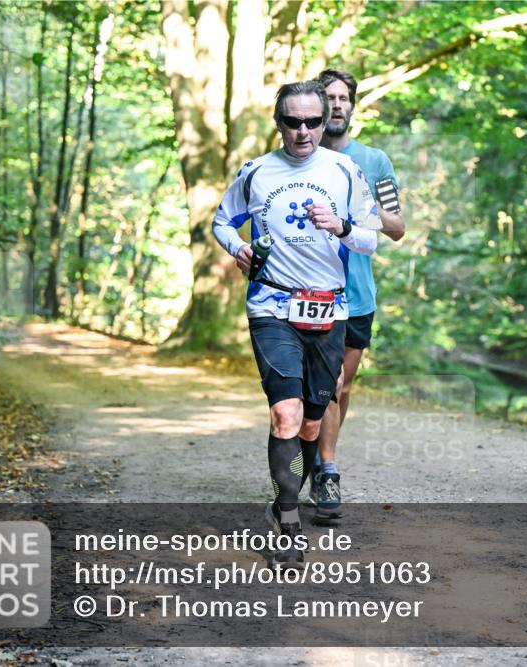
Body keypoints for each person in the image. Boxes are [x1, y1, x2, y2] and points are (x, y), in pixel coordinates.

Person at [213, 80, 381, 567]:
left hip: (329, 310)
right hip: (272, 306)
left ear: (324, 120)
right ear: (279, 122)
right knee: (285, 414)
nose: (304, 131)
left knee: (310, 424)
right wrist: (237, 247)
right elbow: (222, 221)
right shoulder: (257, 173)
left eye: (314, 121)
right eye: (294, 121)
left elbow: (375, 237)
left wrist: (343, 227)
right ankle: (287, 520)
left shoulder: (344, 171)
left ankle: (283, 501)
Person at [305, 69, 406, 524]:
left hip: (357, 294)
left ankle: (322, 459)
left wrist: (358, 212)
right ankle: (321, 463)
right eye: (330, 96)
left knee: (339, 388)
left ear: (353, 105)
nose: (339, 104)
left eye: (345, 97)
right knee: (318, 388)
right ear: (317, 105)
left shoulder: (376, 161)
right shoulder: (297, 156)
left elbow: (398, 228)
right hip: (303, 289)